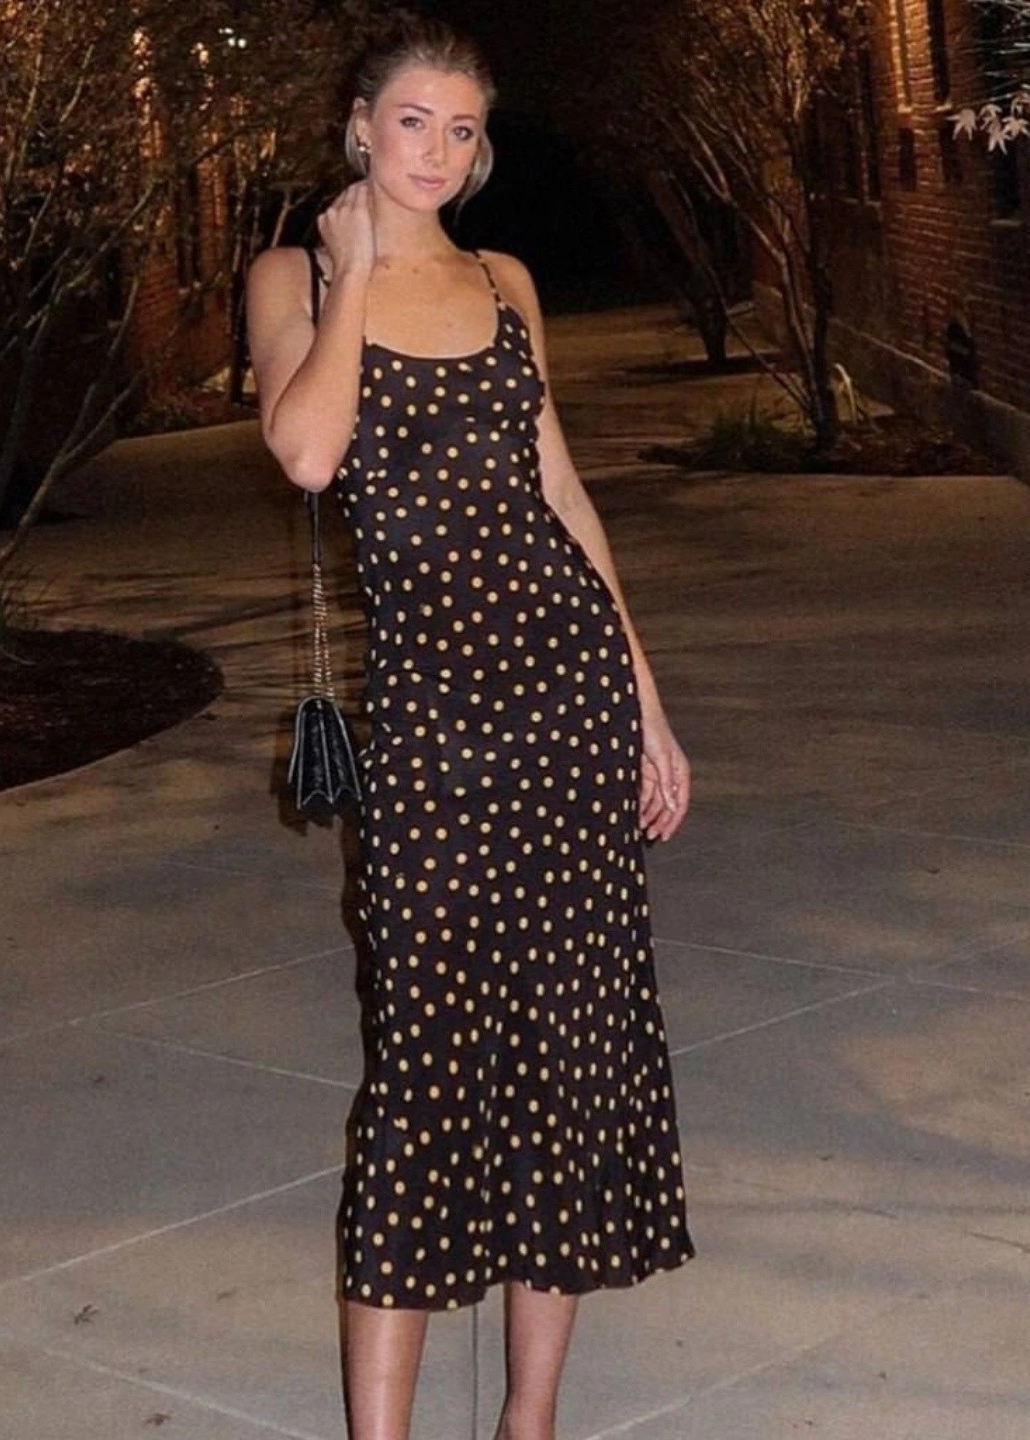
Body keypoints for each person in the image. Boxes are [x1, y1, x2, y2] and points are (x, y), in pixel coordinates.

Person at [246, 17, 694, 1440]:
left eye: (462, 130)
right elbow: (306, 451)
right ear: (358, 124)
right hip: (433, 726)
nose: (437, 151)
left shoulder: (507, 282)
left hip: (569, 697)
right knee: (424, 1071)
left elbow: (562, 491)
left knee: (568, 1057)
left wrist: (646, 701)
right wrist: (356, 270)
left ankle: (529, 1421)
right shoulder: (293, 277)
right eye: (412, 122)